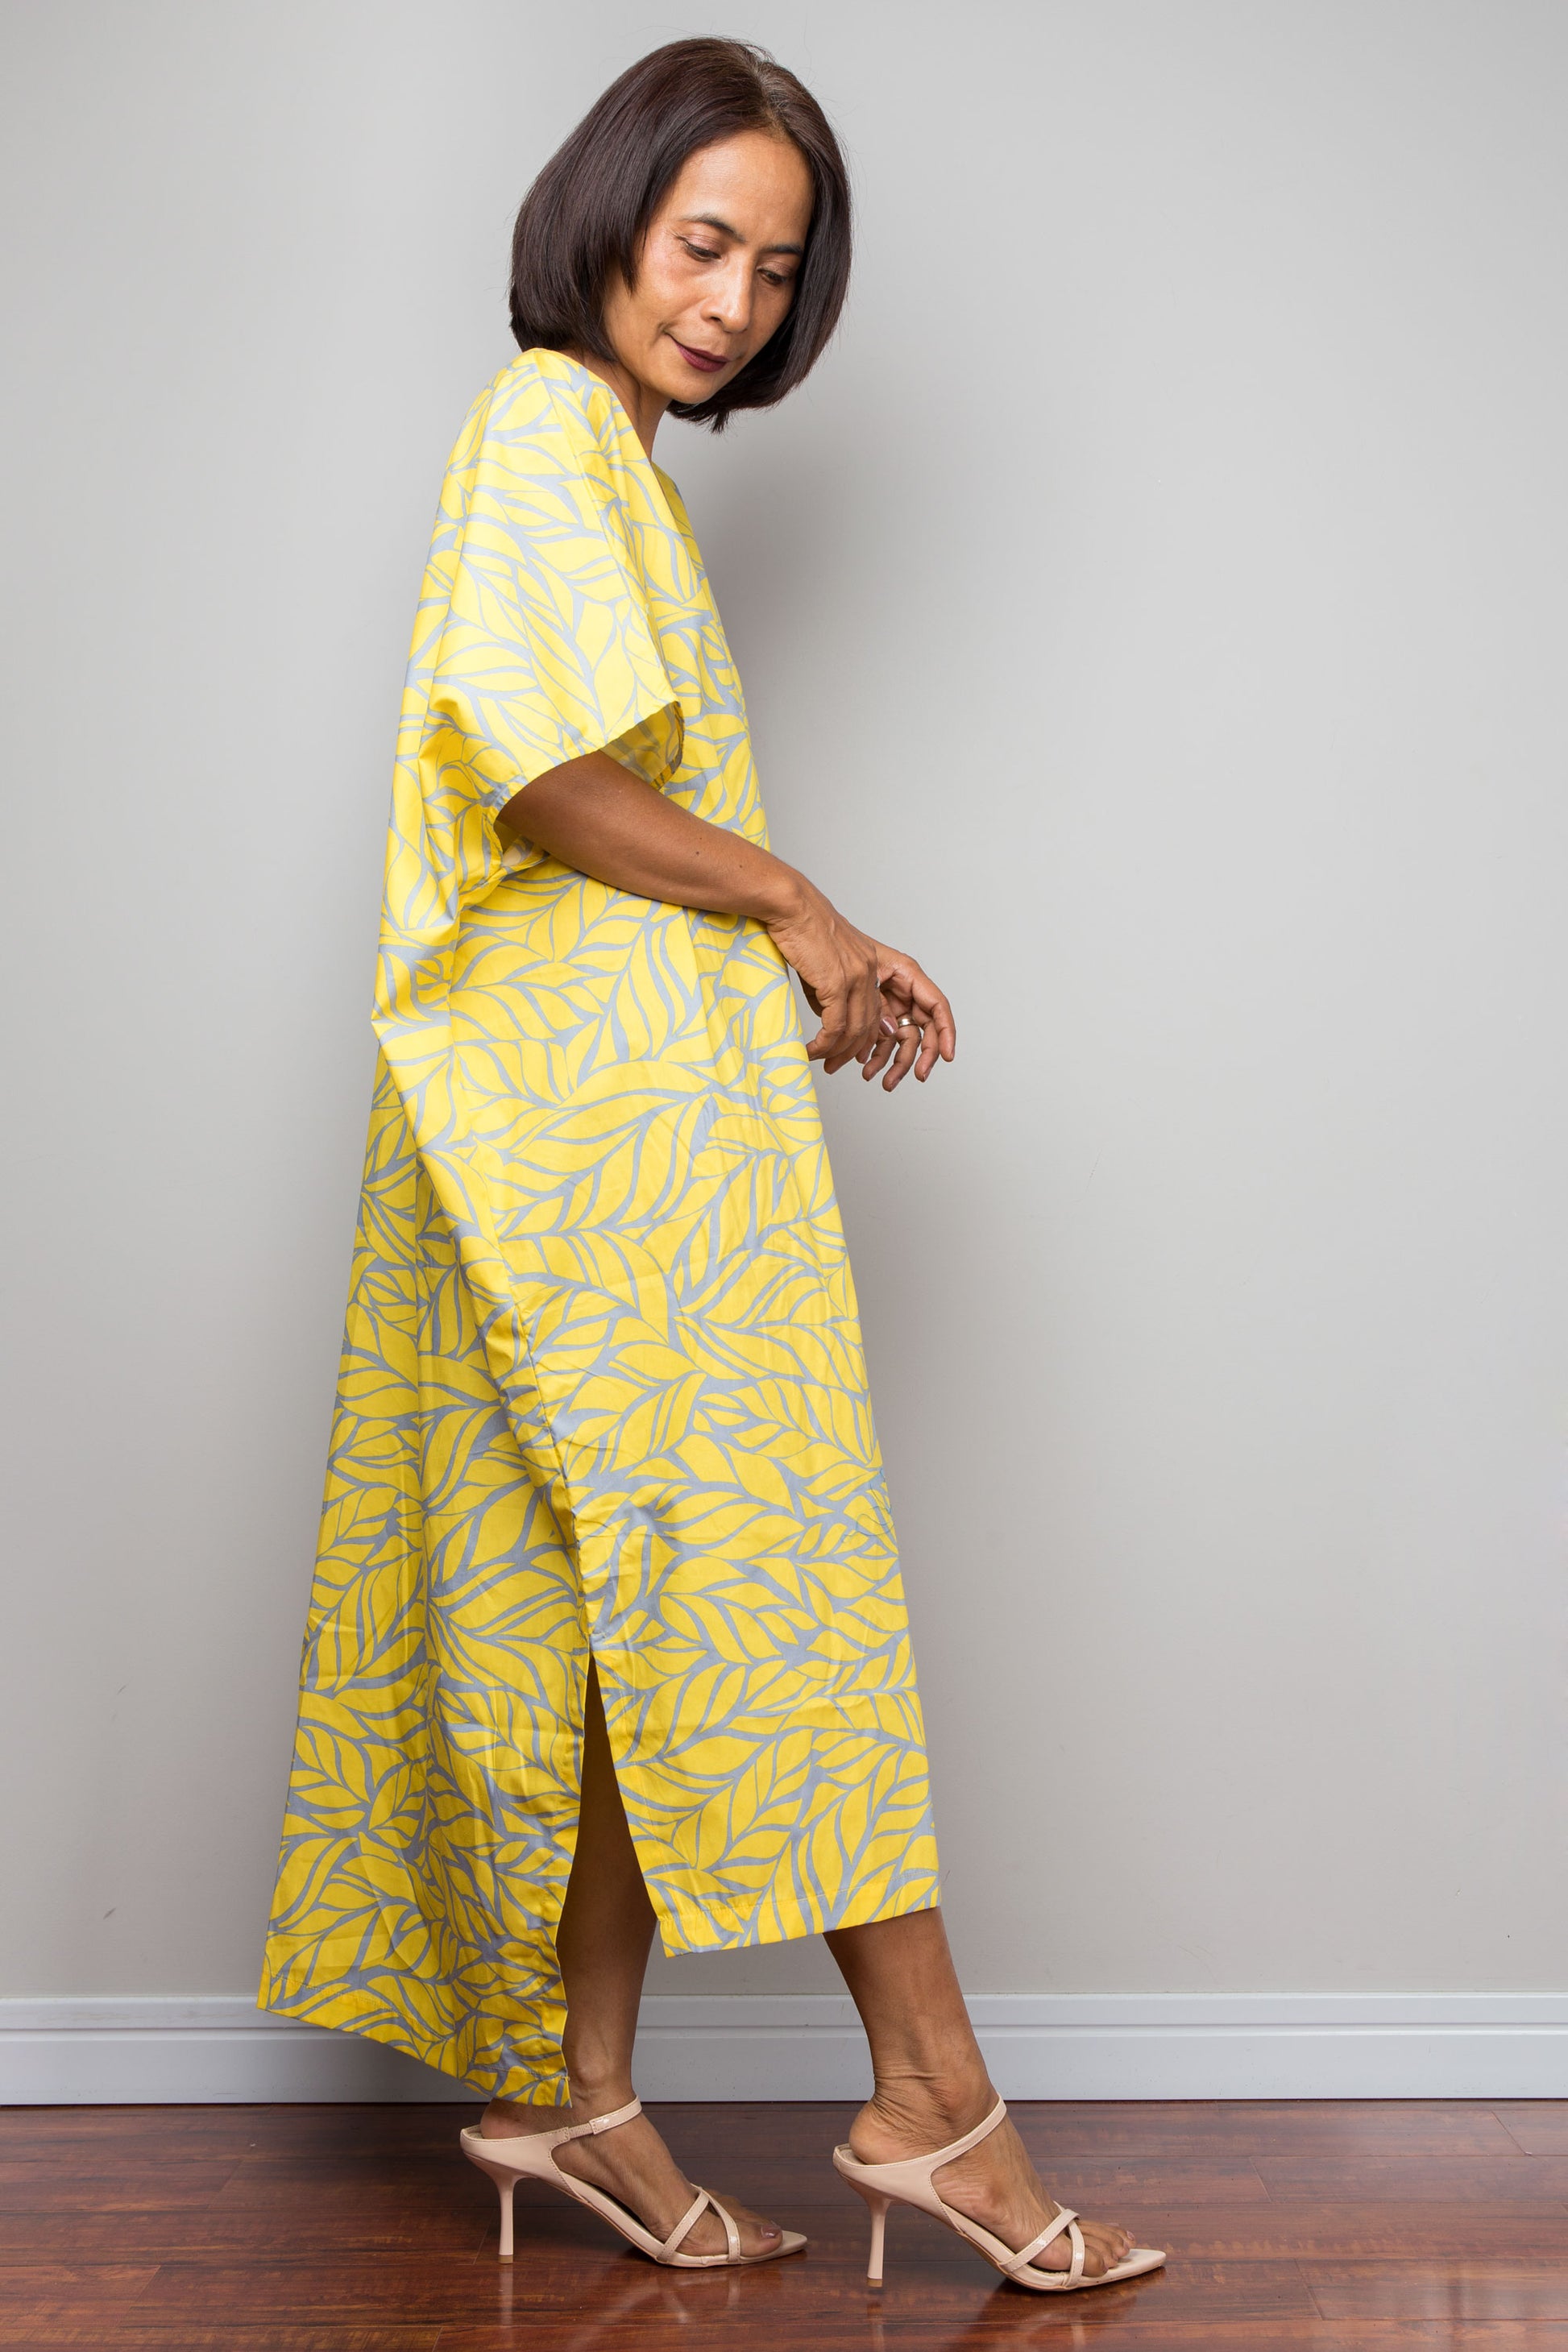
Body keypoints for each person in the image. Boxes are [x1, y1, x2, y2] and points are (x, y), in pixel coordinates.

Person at [260, 35, 1163, 2296]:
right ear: (607, 219)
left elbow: (568, 805)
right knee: (771, 1583)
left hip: (615, 1136)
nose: (734, 299)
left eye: (772, 268)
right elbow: (538, 772)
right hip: (598, 1172)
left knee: (612, 1623)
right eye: (701, 244)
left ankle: (577, 2091)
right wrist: (797, 907)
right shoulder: (549, 424)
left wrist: (793, 958)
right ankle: (935, 2103)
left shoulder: (619, 474)